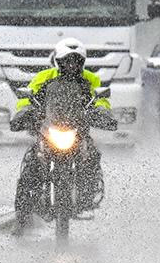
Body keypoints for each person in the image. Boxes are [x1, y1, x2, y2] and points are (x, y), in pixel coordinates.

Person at [11, 38, 113, 235]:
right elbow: (27, 98)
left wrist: (104, 114)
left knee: (91, 156)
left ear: (82, 62)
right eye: (67, 60)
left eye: (76, 61)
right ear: (58, 61)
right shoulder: (45, 77)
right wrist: (24, 113)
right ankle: (22, 217)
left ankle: (87, 194)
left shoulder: (91, 80)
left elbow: (100, 101)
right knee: (31, 165)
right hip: (50, 129)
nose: (72, 65)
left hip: (78, 131)